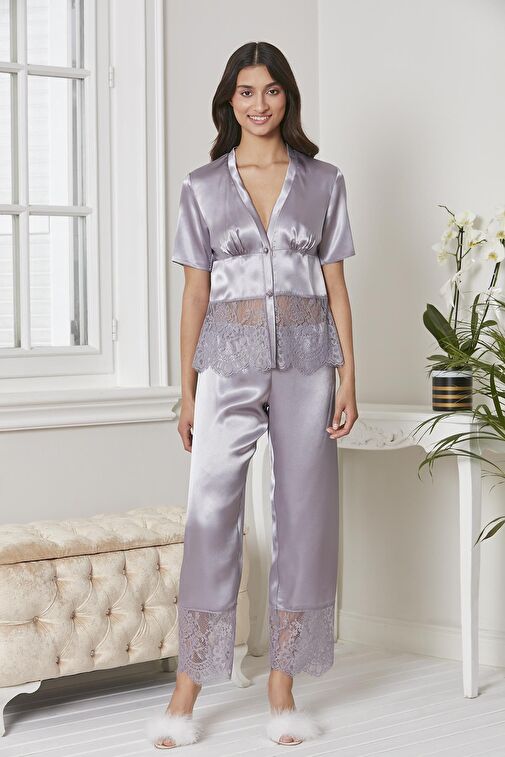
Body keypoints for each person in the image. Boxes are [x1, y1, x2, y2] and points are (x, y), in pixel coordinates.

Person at [145, 40, 358, 750]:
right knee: (210, 514)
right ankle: (188, 686)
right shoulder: (202, 186)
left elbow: (335, 285)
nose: (259, 104)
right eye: (246, 91)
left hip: (307, 363)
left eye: (270, 90)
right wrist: (186, 391)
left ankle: (282, 687)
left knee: (305, 516)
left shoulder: (323, 181)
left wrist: (348, 375)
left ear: (286, 97)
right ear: (229, 101)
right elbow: (194, 294)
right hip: (226, 365)